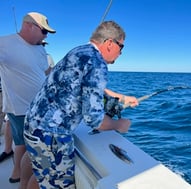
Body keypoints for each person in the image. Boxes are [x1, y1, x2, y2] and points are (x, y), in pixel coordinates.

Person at [24, 20, 138, 189]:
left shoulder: (79, 51)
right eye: (121, 47)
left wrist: (120, 96)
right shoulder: (98, 63)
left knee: (43, 179)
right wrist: (118, 124)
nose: (121, 53)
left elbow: (80, 84)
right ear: (109, 43)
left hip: (33, 125)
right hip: (52, 137)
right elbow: (94, 120)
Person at [0, 11, 56, 185]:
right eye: (44, 31)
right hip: (20, 108)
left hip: (40, 109)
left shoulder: (39, 49)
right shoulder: (5, 43)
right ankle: (18, 174)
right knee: (23, 145)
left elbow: (44, 71)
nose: (45, 36)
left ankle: (21, 176)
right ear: (29, 26)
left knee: (29, 147)